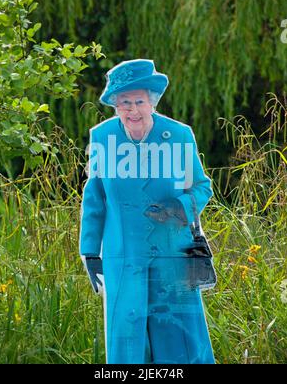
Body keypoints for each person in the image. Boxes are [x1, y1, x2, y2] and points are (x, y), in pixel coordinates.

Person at [79, 59, 215, 364]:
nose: (133, 110)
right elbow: (95, 197)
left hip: (173, 255)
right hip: (123, 256)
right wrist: (89, 251)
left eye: (139, 101)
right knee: (127, 343)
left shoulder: (179, 135)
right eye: (125, 102)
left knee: (179, 341)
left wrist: (177, 207)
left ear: (151, 101)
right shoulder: (102, 137)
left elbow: (203, 187)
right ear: (115, 105)